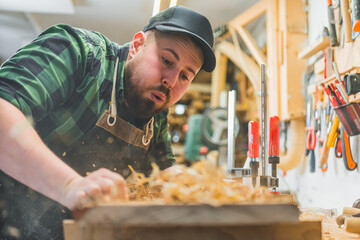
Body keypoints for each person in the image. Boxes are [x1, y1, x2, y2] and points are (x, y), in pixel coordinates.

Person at [0, 5, 215, 240]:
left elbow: (163, 174)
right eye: (166, 60)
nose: (171, 80)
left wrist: (200, 190)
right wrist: (70, 185)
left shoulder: (156, 107)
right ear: (136, 46)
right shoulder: (79, 52)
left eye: (185, 76)